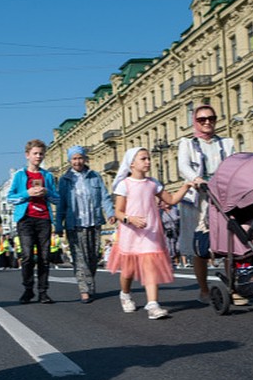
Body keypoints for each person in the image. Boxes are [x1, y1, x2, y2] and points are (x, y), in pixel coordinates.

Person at [108, 147, 196, 320]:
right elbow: (118, 211)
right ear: (132, 163)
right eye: (143, 159)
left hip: (151, 231)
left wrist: (186, 185)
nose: (148, 162)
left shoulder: (153, 183)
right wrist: (130, 219)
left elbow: (171, 200)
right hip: (130, 233)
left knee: (150, 269)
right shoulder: (124, 185)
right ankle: (125, 294)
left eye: (148, 158)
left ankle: (153, 305)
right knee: (128, 272)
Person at [177, 104, 239, 304]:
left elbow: (234, 165)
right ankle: (203, 289)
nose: (207, 122)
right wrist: (196, 179)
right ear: (195, 121)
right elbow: (183, 166)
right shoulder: (187, 143)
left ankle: (233, 288)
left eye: (211, 118)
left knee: (231, 243)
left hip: (223, 196)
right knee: (200, 246)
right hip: (198, 199)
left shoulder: (227, 143)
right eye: (202, 119)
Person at [55, 146, 115, 303]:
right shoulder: (65, 180)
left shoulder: (94, 176)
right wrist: (58, 225)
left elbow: (104, 196)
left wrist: (110, 213)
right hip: (74, 225)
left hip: (94, 222)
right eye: (74, 158)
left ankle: (89, 285)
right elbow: (61, 204)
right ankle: (84, 290)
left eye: (80, 158)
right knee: (79, 258)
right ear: (69, 161)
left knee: (93, 257)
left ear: (85, 159)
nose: (77, 161)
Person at [5, 139, 58, 304]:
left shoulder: (47, 175)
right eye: (35, 153)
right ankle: (28, 289)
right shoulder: (20, 175)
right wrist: (28, 193)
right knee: (27, 256)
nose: (38, 156)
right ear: (27, 155)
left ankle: (43, 292)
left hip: (44, 219)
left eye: (41, 153)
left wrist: (47, 192)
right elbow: (10, 198)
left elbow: (57, 199)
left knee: (44, 257)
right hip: (26, 219)